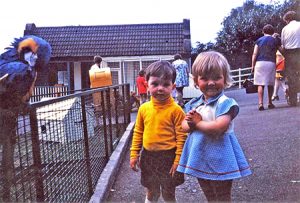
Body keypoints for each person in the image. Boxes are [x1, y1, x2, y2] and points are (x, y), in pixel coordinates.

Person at [177, 51, 252, 202]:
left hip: (221, 156)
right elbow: (183, 126)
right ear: (197, 82)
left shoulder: (225, 103)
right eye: (204, 78)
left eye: (217, 77)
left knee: (222, 196)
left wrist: (197, 123)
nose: (211, 82)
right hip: (200, 155)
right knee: (209, 195)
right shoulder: (194, 104)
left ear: (225, 79)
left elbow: (219, 127)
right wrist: (190, 122)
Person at [130, 60, 187, 202]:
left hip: (170, 157)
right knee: (151, 191)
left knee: (169, 194)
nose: (160, 88)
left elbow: (182, 137)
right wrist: (134, 154)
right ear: (147, 85)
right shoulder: (144, 109)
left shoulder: (176, 110)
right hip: (149, 157)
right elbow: (138, 132)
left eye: (166, 84)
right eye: (155, 84)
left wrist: (178, 160)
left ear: (173, 87)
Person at [251, 24, 281, 111]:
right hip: (271, 63)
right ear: (272, 32)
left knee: (260, 84)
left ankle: (260, 103)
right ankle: (269, 103)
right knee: (270, 84)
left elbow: (254, 54)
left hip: (260, 63)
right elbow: (281, 50)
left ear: (263, 31)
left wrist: (253, 65)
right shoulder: (275, 40)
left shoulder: (258, 40)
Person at [281, 11, 300, 106]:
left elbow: (283, 45)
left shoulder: (285, 29)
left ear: (287, 19)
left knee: (291, 77)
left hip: (290, 54)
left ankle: (293, 100)